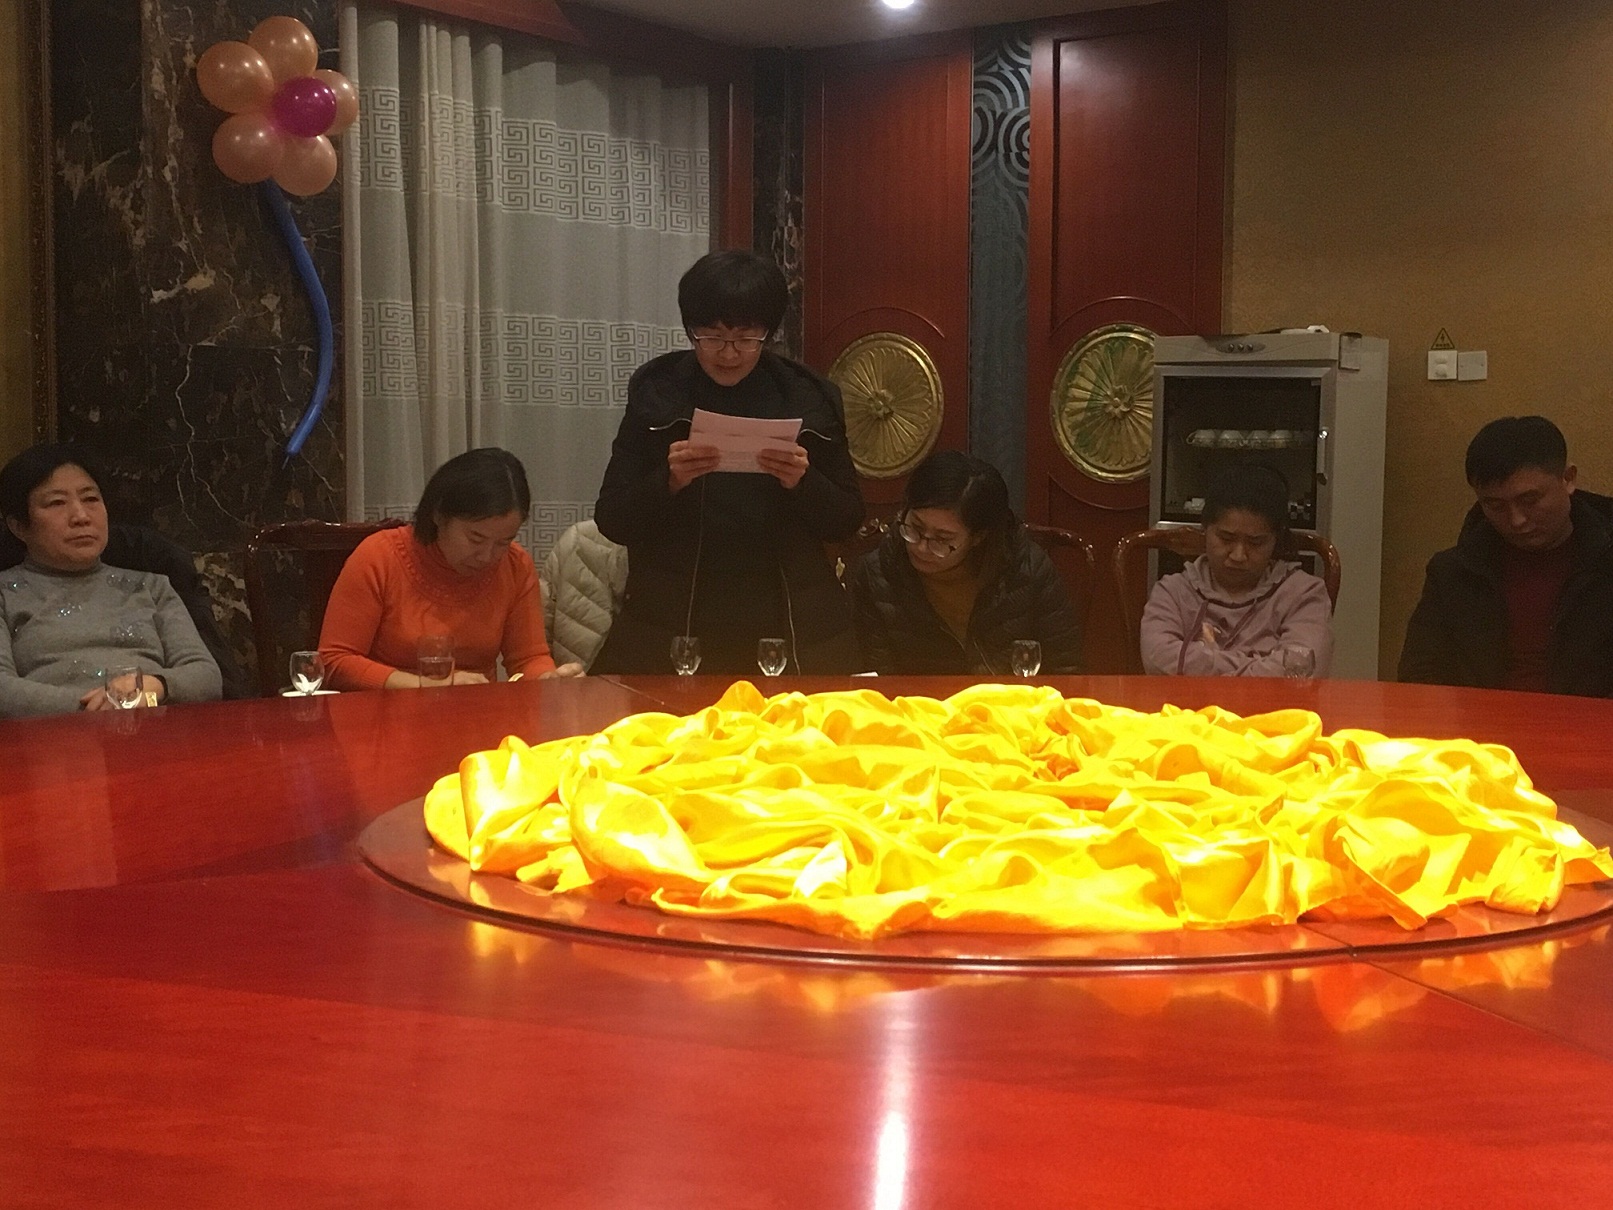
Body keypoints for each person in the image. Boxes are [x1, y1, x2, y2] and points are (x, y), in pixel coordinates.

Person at [591, 249, 863, 674]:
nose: (729, 354)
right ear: (690, 330)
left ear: (768, 334)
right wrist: (668, 481)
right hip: (674, 621)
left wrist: (804, 482)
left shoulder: (809, 398)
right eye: (713, 337)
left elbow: (847, 521)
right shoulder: (658, 393)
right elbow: (612, 519)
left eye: (746, 338)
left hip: (787, 622)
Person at [319, 448, 583, 690]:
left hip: (478, 715)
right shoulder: (379, 556)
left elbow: (527, 659)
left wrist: (548, 680)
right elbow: (335, 661)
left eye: (503, 542)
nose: (487, 556)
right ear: (438, 515)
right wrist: (424, 685)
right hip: (383, 714)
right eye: (475, 539)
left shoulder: (515, 565)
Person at [0, 444, 222, 717]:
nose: (81, 516)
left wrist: (155, 687)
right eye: (56, 503)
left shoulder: (152, 587)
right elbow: (3, 691)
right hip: (50, 738)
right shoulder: (5, 594)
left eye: (91, 499)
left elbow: (206, 676)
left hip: (154, 732)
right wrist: (104, 707)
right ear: (18, 526)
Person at [1398, 415, 1613, 695]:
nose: (1516, 520)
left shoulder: (1604, 563)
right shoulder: (1453, 572)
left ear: (1568, 479)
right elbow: (1419, 675)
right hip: (1477, 720)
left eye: (1530, 500)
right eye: (1495, 506)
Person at [849, 451, 1083, 675]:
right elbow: (878, 679)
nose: (921, 547)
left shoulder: (1027, 569)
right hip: (917, 702)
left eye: (942, 539)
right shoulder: (878, 573)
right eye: (915, 528)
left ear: (978, 537)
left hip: (1012, 702)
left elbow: (1065, 667)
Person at [1140, 463, 1333, 677]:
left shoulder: (1304, 593)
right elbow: (1157, 660)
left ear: (1276, 540)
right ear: (1205, 530)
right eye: (1226, 538)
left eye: (1256, 542)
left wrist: (1203, 661)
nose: (1238, 555)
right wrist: (1260, 664)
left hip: (1271, 701)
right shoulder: (1172, 591)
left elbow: (1302, 668)